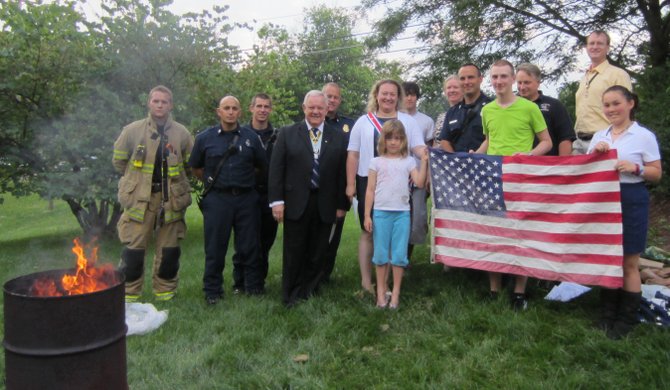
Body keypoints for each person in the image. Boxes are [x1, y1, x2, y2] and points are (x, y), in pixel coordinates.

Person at [473, 60, 552, 310]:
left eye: (504, 77)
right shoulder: (487, 110)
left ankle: (519, 292)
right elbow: (489, 140)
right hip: (493, 178)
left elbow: (546, 142)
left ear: (512, 79)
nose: (499, 81)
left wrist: (528, 156)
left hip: (521, 179)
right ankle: (494, 289)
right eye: (494, 77)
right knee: (495, 233)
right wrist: (475, 155)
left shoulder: (529, 108)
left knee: (521, 234)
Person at [588, 85, 662, 339]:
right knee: (608, 257)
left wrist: (635, 168)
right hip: (603, 199)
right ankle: (607, 314)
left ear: (630, 103)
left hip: (631, 197)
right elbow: (586, 170)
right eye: (607, 105)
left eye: (616, 103)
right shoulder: (600, 135)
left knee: (629, 260)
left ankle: (627, 318)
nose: (611, 109)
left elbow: (656, 173)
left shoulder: (644, 136)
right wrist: (596, 154)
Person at [113, 85, 193, 302]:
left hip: (171, 199)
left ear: (171, 105)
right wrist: (135, 182)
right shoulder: (132, 131)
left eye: (164, 102)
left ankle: (165, 292)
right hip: (140, 198)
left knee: (169, 249)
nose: (160, 105)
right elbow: (119, 161)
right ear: (149, 103)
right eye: (156, 101)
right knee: (134, 248)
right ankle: (129, 294)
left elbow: (190, 164)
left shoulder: (182, 133)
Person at [268, 90, 349, 307]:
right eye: (311, 107)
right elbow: (277, 169)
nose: (315, 111)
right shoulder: (287, 133)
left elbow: (342, 173)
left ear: (326, 110)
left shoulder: (338, 136)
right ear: (304, 108)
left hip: (325, 203)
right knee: (294, 251)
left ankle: (309, 291)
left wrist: (342, 204)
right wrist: (277, 201)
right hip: (295, 202)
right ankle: (290, 294)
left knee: (318, 250)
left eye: (320, 108)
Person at [347, 79, 426, 295]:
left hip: (398, 184)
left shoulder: (407, 122)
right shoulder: (363, 122)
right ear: (376, 95)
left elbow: (418, 146)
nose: (388, 97)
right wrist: (350, 184)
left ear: (398, 97)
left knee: (392, 233)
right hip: (368, 181)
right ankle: (366, 282)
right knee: (368, 231)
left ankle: (386, 283)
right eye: (384, 93)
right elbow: (353, 154)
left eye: (393, 94)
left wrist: (424, 154)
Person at [189, 96, 267, 305]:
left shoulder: (250, 137)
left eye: (234, 108)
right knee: (215, 247)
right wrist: (214, 182)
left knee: (249, 246)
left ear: (240, 112)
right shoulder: (205, 138)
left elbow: (261, 166)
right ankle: (212, 291)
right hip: (218, 199)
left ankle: (252, 287)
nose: (230, 112)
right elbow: (196, 167)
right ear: (219, 112)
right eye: (226, 108)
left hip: (246, 199)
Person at [364, 120, 428, 309]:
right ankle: (381, 293)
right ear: (383, 139)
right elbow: (370, 190)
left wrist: (424, 162)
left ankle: (396, 293)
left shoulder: (408, 161)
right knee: (381, 254)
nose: (393, 142)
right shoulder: (375, 162)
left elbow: (419, 182)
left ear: (403, 141)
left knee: (399, 255)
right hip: (381, 213)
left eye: (398, 139)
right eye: (390, 138)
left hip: (402, 214)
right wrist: (367, 215)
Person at [238, 93, 277, 293]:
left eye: (266, 106)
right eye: (259, 106)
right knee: (244, 241)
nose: (262, 110)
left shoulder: (277, 136)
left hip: (269, 196)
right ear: (251, 108)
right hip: (245, 195)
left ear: (270, 110)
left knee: (265, 241)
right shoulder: (240, 133)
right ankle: (240, 282)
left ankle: (258, 281)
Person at [574, 30, 632, 154]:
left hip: (605, 141)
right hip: (579, 141)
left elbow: (626, 110)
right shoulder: (584, 77)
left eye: (600, 43)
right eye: (591, 43)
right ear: (586, 47)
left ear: (608, 48)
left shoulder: (618, 74)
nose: (595, 47)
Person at [321, 82, 356, 283]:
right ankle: (308, 272)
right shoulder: (311, 122)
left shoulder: (349, 125)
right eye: (328, 96)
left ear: (340, 100)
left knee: (333, 236)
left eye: (335, 97)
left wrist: (345, 197)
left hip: (338, 189)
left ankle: (324, 275)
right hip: (314, 189)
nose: (332, 100)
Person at [401, 81, 435, 260]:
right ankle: (395, 256)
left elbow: (429, 151)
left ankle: (407, 257)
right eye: (406, 94)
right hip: (398, 175)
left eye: (413, 94)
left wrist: (428, 176)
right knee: (399, 215)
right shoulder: (394, 117)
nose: (409, 98)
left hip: (418, 175)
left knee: (417, 218)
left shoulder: (426, 121)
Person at [516, 63, 575, 156]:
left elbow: (565, 138)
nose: (522, 87)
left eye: (527, 82)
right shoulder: (509, 105)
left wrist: (563, 166)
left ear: (538, 82)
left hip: (547, 166)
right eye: (519, 83)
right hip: (516, 164)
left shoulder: (554, 105)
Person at [440, 63, 492, 153]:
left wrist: (475, 157)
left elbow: (493, 137)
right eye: (462, 78)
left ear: (480, 79)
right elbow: (445, 141)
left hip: (484, 163)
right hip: (457, 165)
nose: (467, 82)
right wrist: (456, 161)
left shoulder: (492, 107)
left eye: (471, 77)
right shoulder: (452, 112)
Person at [434, 74, 463, 142]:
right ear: (445, 91)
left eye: (455, 87)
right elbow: (436, 142)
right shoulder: (441, 117)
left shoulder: (467, 113)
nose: (452, 90)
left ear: (463, 90)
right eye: (449, 88)